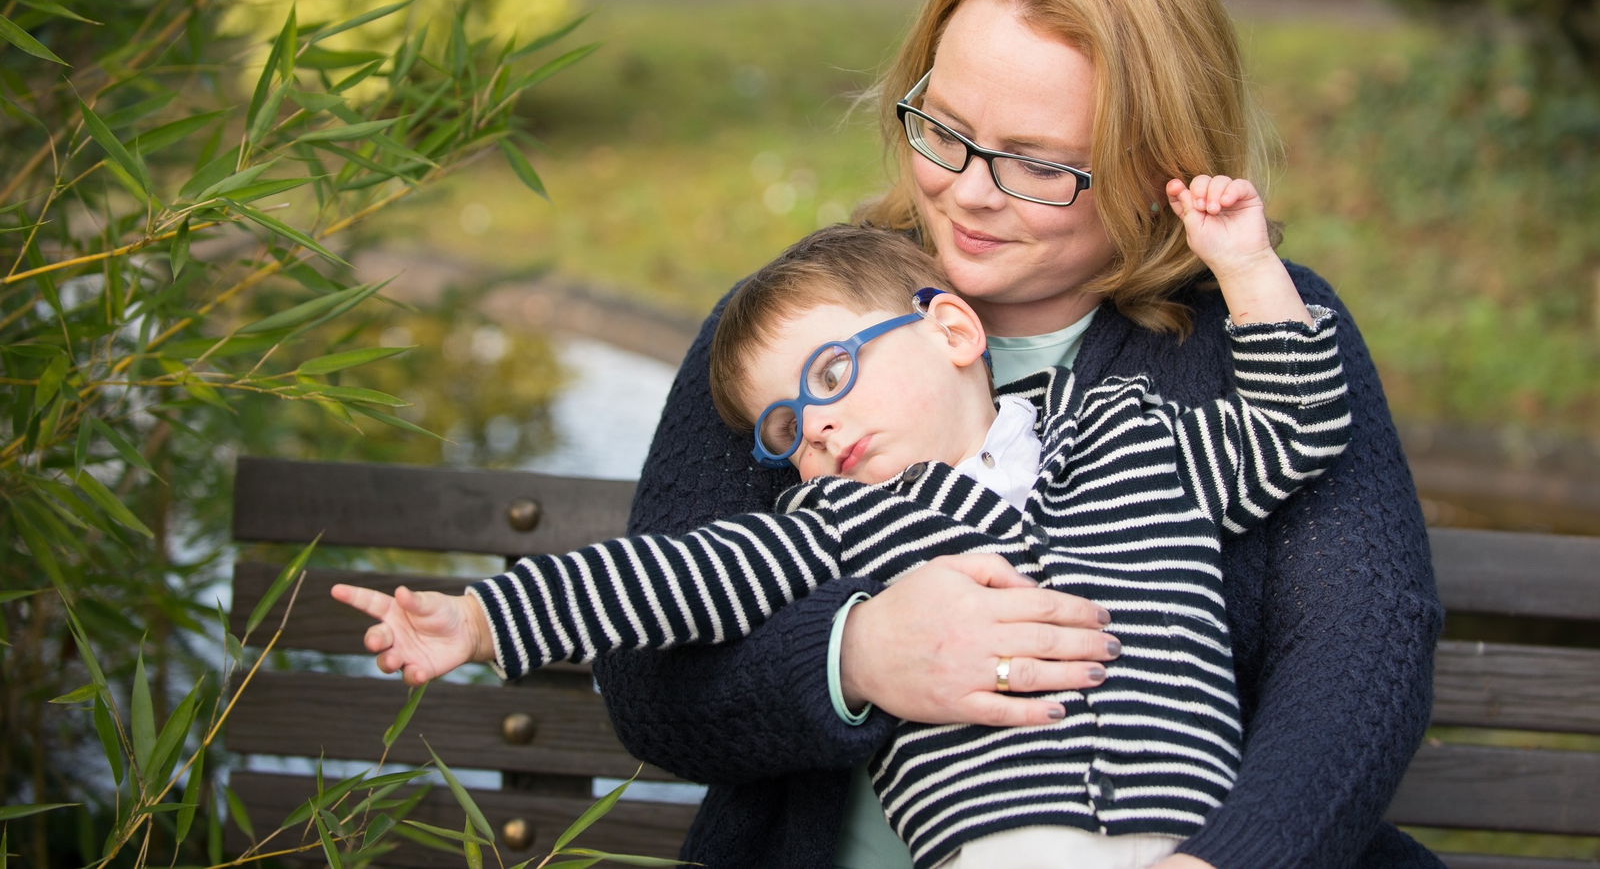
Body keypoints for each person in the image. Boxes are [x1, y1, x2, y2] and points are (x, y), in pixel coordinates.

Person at [591, 0, 1444, 869]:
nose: (968, 192)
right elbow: (650, 683)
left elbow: (1361, 651)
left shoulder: (1264, 328)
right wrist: (855, 658)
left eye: (1036, 163)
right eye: (946, 130)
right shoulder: (799, 342)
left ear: (1159, 166)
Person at [333, 178, 1350, 869]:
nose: (813, 428)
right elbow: (663, 579)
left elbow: (1294, 428)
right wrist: (486, 619)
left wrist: (1247, 269)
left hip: (1192, 835)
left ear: (951, 331)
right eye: (785, 427)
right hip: (1002, 845)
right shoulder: (841, 524)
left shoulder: (1132, 435)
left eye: (831, 375)